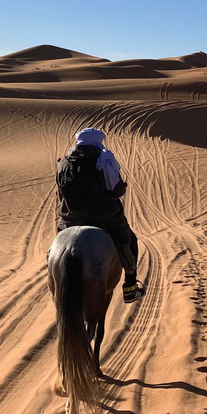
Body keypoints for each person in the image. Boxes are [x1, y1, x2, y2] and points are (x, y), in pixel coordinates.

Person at [55, 127, 145, 303]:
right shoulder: (104, 160)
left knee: (57, 245)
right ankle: (130, 287)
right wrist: (121, 187)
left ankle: (54, 274)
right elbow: (116, 190)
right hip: (103, 217)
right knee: (129, 239)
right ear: (98, 141)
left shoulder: (63, 162)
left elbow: (60, 193)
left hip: (69, 218)